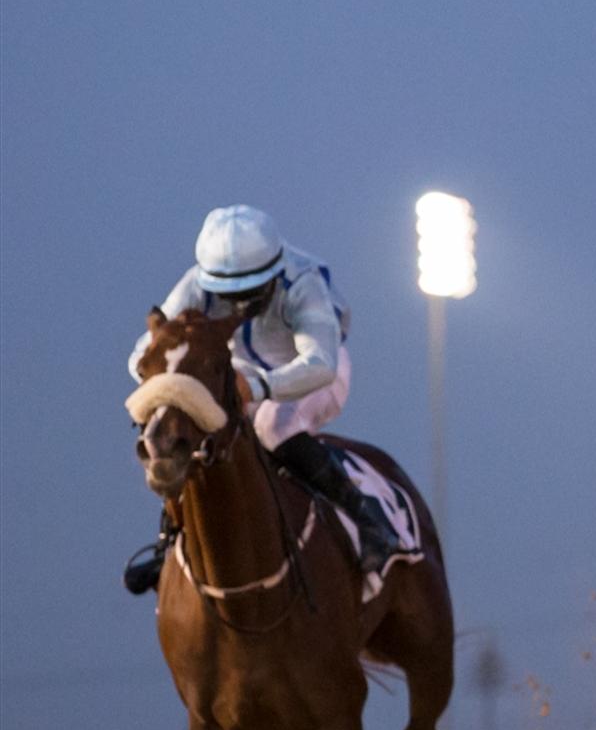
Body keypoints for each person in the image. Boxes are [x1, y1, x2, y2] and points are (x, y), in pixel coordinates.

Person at [124, 205, 400, 593]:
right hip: (235, 374)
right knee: (192, 435)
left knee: (273, 424)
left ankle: (368, 517)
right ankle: (170, 540)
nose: (239, 305)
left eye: (251, 293)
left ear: (274, 270)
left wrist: (257, 387)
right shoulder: (195, 285)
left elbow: (320, 363)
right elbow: (141, 353)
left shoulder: (302, 281)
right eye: (227, 294)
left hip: (311, 374)